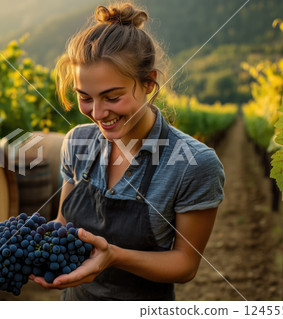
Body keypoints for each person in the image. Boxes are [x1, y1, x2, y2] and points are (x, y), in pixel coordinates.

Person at [29, 2, 225, 301]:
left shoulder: (194, 164)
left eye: (112, 97)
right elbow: (64, 223)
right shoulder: (77, 142)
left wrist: (114, 256)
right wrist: (30, 244)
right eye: (85, 97)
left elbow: (185, 265)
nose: (97, 112)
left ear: (149, 83)